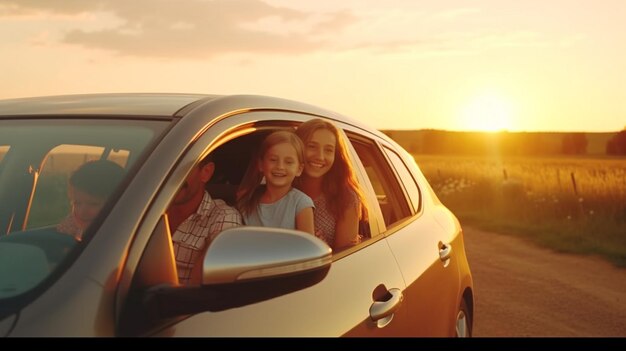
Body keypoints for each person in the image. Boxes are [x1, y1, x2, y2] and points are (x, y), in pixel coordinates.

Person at [167, 153, 243, 285]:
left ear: (206, 172)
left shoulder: (223, 217)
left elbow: (205, 292)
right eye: (165, 168)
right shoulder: (142, 209)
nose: (170, 176)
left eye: (180, 168)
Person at [294, 118, 368, 251]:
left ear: (336, 155)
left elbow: (345, 261)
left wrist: (320, 247)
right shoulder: (279, 188)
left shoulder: (347, 198)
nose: (320, 156)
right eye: (312, 146)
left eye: (328, 150)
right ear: (296, 148)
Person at [236, 130, 315, 235]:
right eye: (273, 160)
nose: (280, 167)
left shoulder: (301, 204)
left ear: (299, 169)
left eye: (288, 162)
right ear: (261, 164)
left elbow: (308, 249)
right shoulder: (247, 200)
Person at [57, 159, 125, 241]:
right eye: (77, 203)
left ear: (118, 203)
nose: (82, 212)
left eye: (94, 204)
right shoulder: (71, 226)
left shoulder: (118, 237)